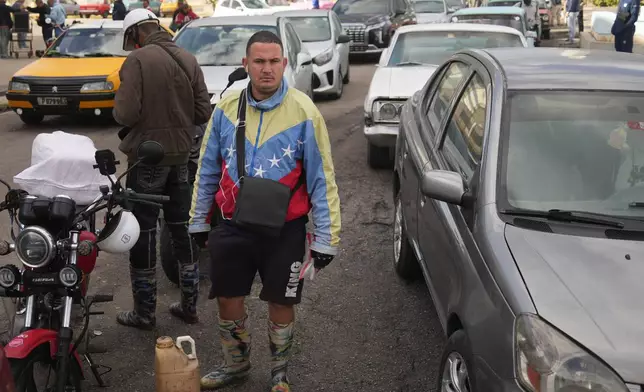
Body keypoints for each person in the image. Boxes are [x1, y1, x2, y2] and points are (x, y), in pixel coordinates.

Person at [189, 30, 341, 391]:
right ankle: (236, 366)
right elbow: (207, 169)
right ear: (246, 65)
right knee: (227, 298)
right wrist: (197, 220)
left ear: (285, 64)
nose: (267, 69)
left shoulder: (305, 111)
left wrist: (326, 240)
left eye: (274, 61)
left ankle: (279, 372)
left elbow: (323, 179)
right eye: (259, 62)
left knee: (281, 300)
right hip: (232, 224)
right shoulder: (225, 111)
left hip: (284, 229)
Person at [112, 9, 211, 330]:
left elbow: (125, 114)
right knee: (181, 231)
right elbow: (202, 111)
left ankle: (144, 313)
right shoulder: (188, 57)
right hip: (182, 158)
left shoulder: (137, 62)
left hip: (147, 161)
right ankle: (189, 306)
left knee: (143, 233)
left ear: (137, 33)